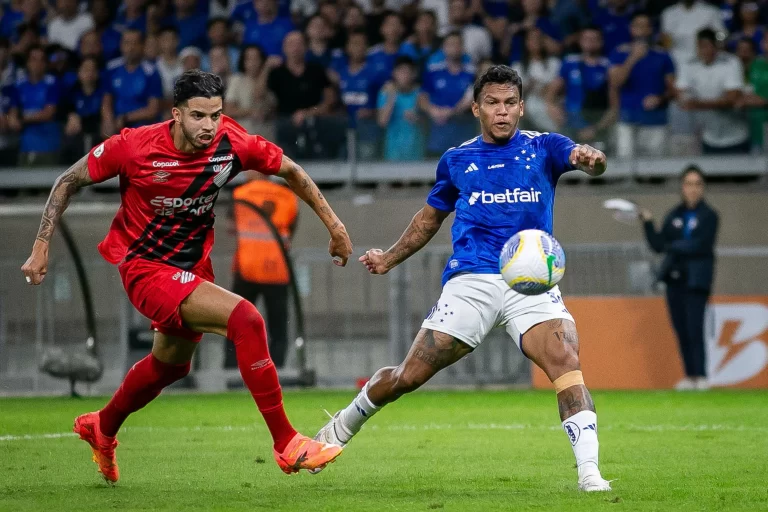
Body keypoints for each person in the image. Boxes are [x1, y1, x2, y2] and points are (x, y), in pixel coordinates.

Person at [20, 70, 351, 482]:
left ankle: (101, 427)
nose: (208, 126)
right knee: (246, 319)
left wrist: (335, 227)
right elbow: (67, 179)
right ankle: (286, 443)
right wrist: (41, 243)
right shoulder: (135, 146)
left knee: (170, 366)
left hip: (191, 268)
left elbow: (291, 171)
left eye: (215, 115)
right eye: (197, 116)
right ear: (176, 114)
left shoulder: (231, 142)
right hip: (144, 267)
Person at [313, 65, 612, 492]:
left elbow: (586, 160)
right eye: (493, 103)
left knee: (567, 363)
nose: (502, 112)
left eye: (510, 103)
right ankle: (341, 427)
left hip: (533, 284)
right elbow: (427, 221)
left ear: (522, 107)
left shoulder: (545, 148)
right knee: (408, 377)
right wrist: (388, 259)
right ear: (476, 108)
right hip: (472, 281)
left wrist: (592, 159)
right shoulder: (458, 159)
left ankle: (590, 474)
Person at [639, 166, 718, 391]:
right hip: (675, 281)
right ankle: (690, 376)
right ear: (682, 187)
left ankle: (701, 376)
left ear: (702, 188)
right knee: (681, 329)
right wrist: (647, 223)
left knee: (695, 328)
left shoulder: (709, 216)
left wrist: (671, 246)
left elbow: (699, 245)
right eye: (688, 184)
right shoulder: (674, 215)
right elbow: (658, 245)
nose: (692, 189)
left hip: (697, 281)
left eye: (697, 184)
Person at [230, 171, 299, 368]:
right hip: (277, 270)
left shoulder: (240, 194)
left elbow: (232, 226)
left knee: (236, 325)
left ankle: (231, 371)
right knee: (278, 330)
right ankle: (275, 373)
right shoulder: (287, 196)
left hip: (246, 269)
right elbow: (291, 229)